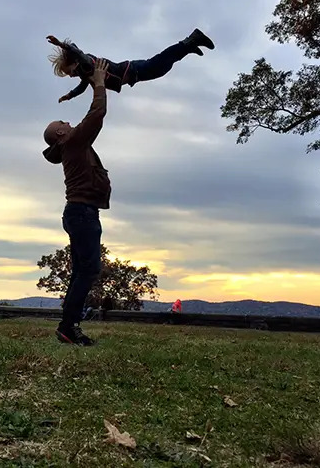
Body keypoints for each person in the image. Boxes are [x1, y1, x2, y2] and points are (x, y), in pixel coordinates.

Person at [42, 58, 110, 346]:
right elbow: (97, 114)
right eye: (63, 123)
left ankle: (68, 327)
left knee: (83, 271)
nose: (68, 122)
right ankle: (70, 326)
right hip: (82, 214)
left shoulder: (74, 145)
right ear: (60, 133)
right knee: (88, 270)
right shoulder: (73, 142)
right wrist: (99, 83)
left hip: (79, 213)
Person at [46, 29, 214, 103]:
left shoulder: (87, 63)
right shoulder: (85, 73)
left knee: (161, 64)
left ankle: (190, 41)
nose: (72, 75)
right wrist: (69, 95)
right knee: (163, 67)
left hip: (133, 69)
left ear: (75, 62)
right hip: (134, 74)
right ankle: (189, 46)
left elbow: (79, 53)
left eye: (70, 71)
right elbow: (82, 88)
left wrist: (61, 44)